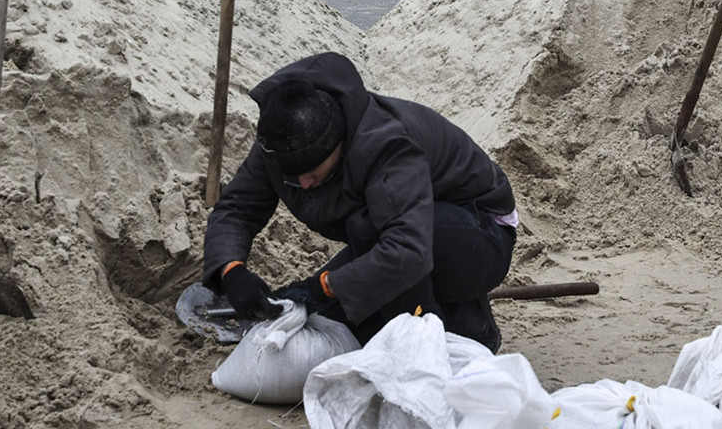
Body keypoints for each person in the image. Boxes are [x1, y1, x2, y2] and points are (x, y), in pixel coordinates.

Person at [202, 52, 518, 352]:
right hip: (402, 228)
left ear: (337, 145)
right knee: (329, 319)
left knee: (364, 238)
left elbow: (405, 250)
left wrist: (323, 286)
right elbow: (236, 208)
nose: (303, 184)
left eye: (312, 172)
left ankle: (458, 333)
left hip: (480, 235)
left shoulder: (386, 146)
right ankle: (454, 310)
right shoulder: (280, 146)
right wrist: (232, 271)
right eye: (292, 174)